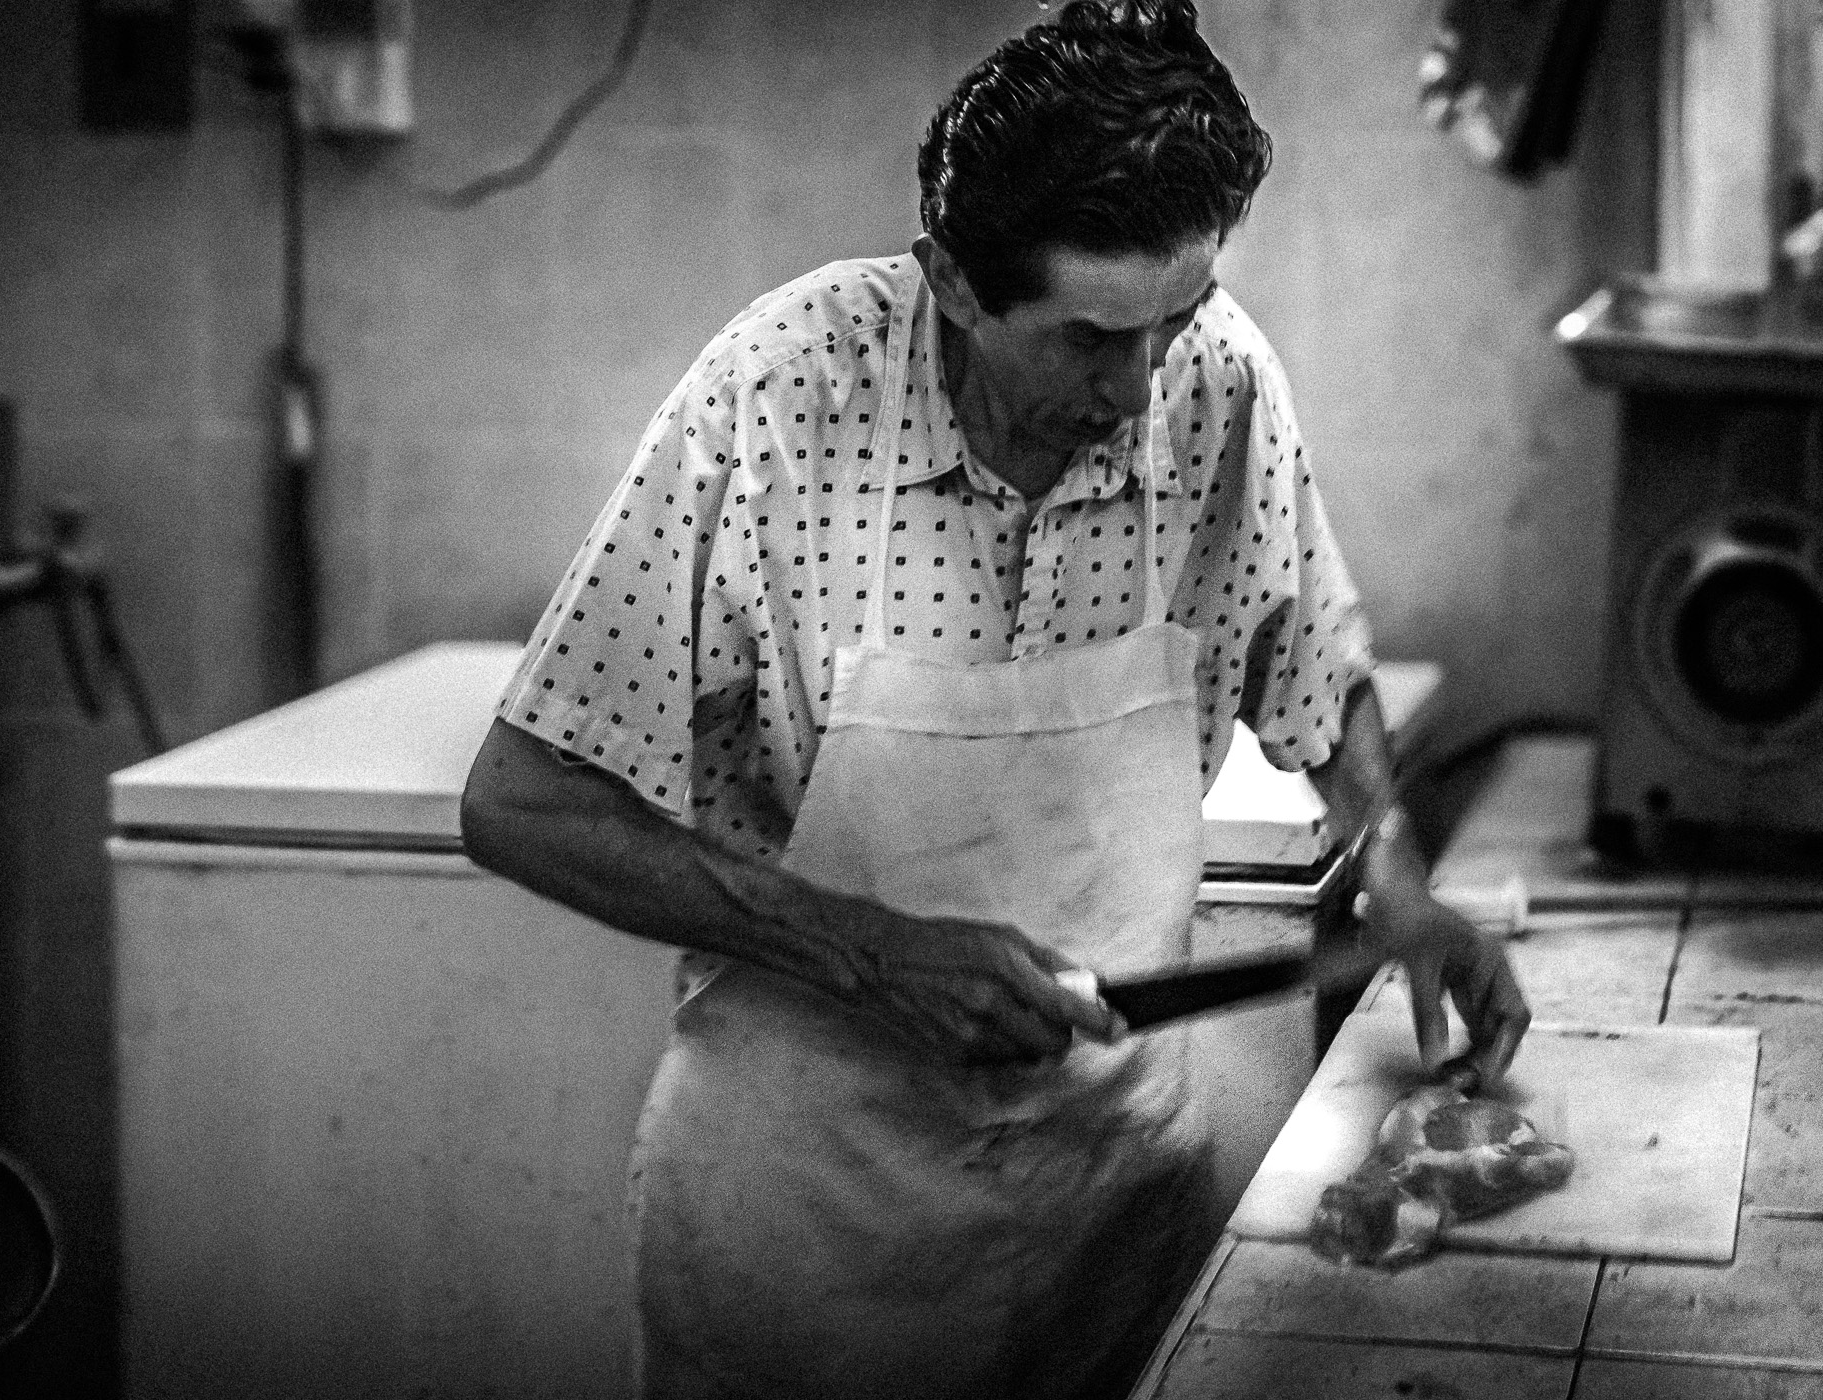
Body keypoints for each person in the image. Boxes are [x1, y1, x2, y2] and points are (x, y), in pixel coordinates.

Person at [461, 3, 1530, 1395]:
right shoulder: (781, 395)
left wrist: (1392, 866)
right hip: (814, 1233)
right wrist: (870, 947)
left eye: (1176, 320)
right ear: (956, 285)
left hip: (1115, 1207)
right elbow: (522, 806)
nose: (1139, 389)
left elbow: (1309, 661)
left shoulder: (1212, 380)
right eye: (1091, 339)